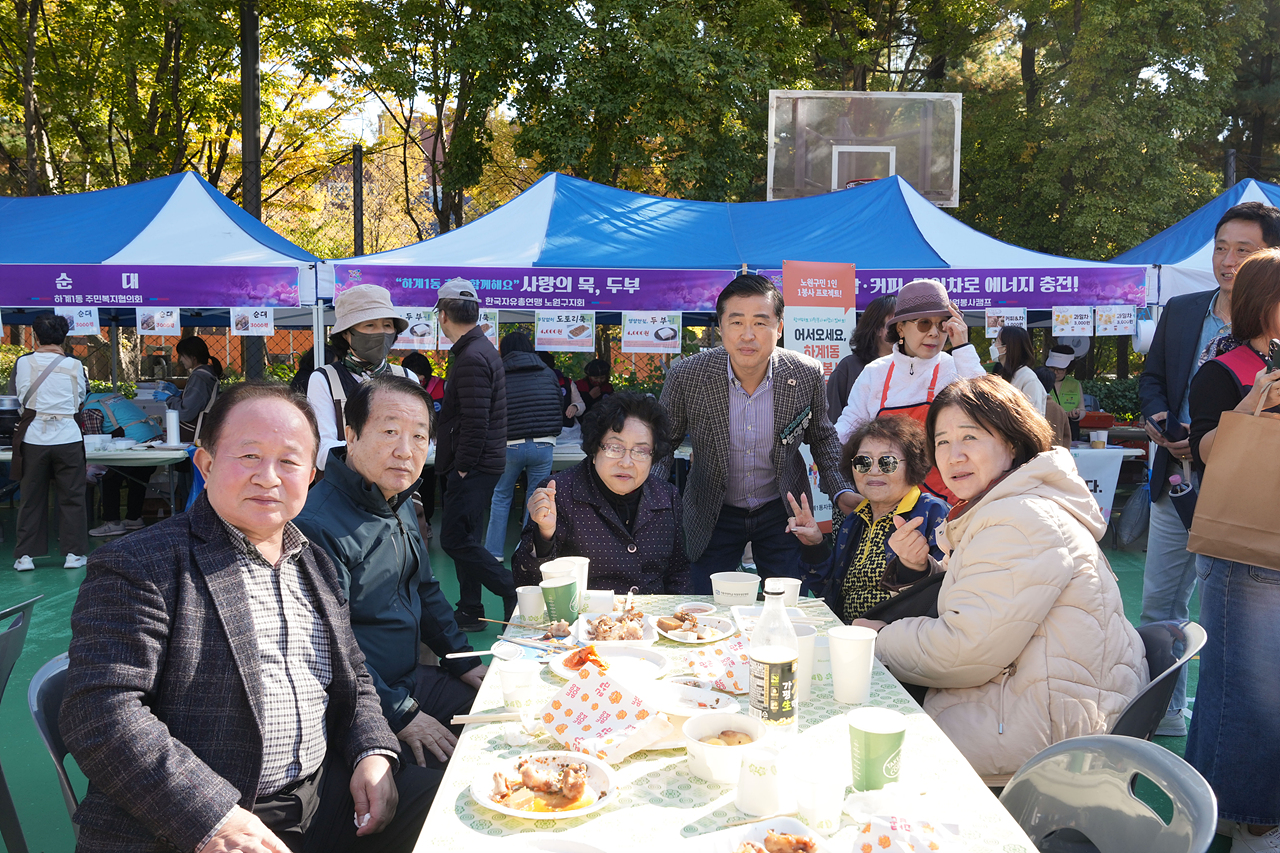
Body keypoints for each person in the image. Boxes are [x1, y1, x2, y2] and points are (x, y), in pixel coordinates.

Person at [60, 382, 435, 853]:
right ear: (207, 464)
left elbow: (354, 676)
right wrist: (212, 815)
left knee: (465, 813)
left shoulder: (312, 561)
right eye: (250, 456)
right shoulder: (141, 564)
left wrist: (372, 752)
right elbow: (99, 713)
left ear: (312, 475)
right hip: (199, 822)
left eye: (290, 461)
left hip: (323, 798)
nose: (269, 477)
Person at [855, 375, 1145, 785]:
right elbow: (990, 597)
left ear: (1011, 442)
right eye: (942, 442)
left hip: (1045, 739)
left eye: (969, 438)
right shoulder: (1014, 504)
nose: (953, 455)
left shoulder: (1019, 519)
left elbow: (963, 650)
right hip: (1058, 705)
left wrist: (877, 640)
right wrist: (920, 570)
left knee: (859, 744)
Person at [1137, 200, 1280, 737]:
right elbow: (1153, 380)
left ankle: (1219, 724)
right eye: (1221, 247)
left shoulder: (1271, 348)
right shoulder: (1182, 308)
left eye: (1244, 250)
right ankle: (1161, 712)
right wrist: (1161, 423)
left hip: (1249, 495)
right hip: (1177, 478)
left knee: (1235, 613)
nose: (1228, 260)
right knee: (1160, 600)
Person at [295, 375, 484, 777]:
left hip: (409, 679)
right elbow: (330, 648)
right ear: (351, 434)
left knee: (501, 717)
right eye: (390, 432)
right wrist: (401, 715)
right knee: (449, 782)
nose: (405, 451)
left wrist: (464, 660)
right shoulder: (318, 524)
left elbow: (426, 590)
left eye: (419, 437)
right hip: (360, 703)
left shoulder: (396, 499)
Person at [656, 274, 856, 593]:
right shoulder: (688, 375)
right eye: (736, 322)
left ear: (779, 328)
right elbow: (661, 445)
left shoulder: (806, 374)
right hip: (712, 508)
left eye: (760, 323)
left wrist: (842, 491)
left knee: (791, 602)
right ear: (721, 328)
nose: (748, 335)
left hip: (781, 508)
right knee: (700, 602)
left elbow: (823, 439)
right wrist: (649, 499)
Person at [1184, 248, 1280, 851]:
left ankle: (1224, 806)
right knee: (1238, 691)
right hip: (1244, 557)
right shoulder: (1224, 368)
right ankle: (1249, 818)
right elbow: (1204, 453)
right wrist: (1255, 402)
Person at [515, 392, 690, 594]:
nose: (626, 462)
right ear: (594, 449)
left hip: (650, 620)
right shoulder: (560, 492)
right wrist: (544, 535)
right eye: (614, 448)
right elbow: (525, 582)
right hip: (583, 619)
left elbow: (679, 572)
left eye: (640, 451)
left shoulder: (666, 495)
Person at [835, 278, 985, 502]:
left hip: (949, 502)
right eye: (924, 323)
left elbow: (989, 408)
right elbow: (844, 432)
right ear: (901, 328)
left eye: (942, 324)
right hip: (888, 503)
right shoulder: (875, 372)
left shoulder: (956, 366)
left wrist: (963, 347)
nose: (935, 333)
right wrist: (841, 489)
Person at [790, 416, 948, 623]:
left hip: (900, 642)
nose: (874, 471)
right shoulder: (855, 520)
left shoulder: (932, 512)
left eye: (887, 462)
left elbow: (944, 594)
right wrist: (815, 545)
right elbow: (829, 589)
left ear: (913, 465)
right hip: (847, 636)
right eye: (863, 462)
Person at [434, 278, 515, 630]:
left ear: (443, 315)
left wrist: (463, 466)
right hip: (483, 462)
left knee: (452, 538)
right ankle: (470, 609)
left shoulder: (471, 357)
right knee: (466, 538)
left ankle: (511, 590)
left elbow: (475, 420)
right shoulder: (480, 350)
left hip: (473, 465)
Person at [307, 284, 415, 470]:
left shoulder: (406, 377)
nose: (381, 333)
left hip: (398, 487)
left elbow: (423, 440)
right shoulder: (325, 379)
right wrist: (380, 453)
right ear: (347, 334)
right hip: (343, 490)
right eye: (370, 325)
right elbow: (323, 450)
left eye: (387, 325)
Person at [12, 312, 89, 571]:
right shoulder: (75, 365)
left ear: (35, 336)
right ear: (64, 337)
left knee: (31, 497)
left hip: (34, 436)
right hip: (68, 436)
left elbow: (21, 397)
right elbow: (80, 398)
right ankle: (73, 554)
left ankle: (25, 557)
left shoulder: (24, 363)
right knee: (72, 496)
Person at [484, 332, 563, 561]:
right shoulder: (547, 373)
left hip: (508, 445)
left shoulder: (498, 374)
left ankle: (493, 553)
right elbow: (559, 405)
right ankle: (527, 549)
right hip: (543, 444)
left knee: (501, 496)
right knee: (536, 498)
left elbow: (489, 411)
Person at [826, 295, 896, 423]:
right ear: (877, 329)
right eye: (893, 325)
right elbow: (831, 425)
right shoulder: (848, 368)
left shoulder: (914, 368)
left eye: (904, 325)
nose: (900, 331)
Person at [400, 352, 444, 537]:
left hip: (432, 450)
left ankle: (426, 522)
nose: (419, 378)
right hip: (406, 447)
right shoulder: (399, 389)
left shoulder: (441, 387)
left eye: (421, 374)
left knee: (427, 486)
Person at [155, 335, 224, 442]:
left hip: (192, 437)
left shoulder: (199, 377)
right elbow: (199, 401)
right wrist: (179, 394)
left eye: (182, 356)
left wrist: (169, 399)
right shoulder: (207, 373)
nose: (181, 359)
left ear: (193, 357)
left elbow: (186, 412)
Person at [992, 325, 1046, 415]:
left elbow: (1033, 418)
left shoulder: (1029, 379)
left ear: (1005, 348)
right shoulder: (1003, 376)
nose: (993, 345)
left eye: (996, 341)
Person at [1045, 345, 1084, 440]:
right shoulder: (1041, 382)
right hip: (1047, 428)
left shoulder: (1075, 384)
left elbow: (1082, 409)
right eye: (1052, 368)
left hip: (1070, 429)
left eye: (1060, 369)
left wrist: (1077, 415)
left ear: (1068, 369)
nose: (1056, 372)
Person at [540, 351, 586, 427]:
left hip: (566, 428)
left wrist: (575, 407)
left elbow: (581, 405)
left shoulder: (566, 383)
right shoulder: (531, 383)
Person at [1033, 366, 1073, 447]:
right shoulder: (1059, 410)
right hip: (1055, 455)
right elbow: (1067, 437)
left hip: (1033, 456)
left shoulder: (1028, 406)